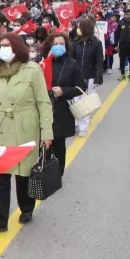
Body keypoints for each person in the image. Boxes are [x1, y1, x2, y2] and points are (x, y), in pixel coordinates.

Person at [0, 34, 53, 237]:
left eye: (7, 45)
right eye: (0, 46)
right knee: (0, 176)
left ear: (17, 47)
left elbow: (43, 103)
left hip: (26, 127)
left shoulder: (33, 70)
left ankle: (26, 208)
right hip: (1, 127)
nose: (4, 49)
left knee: (24, 174)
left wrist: (47, 132)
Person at [43, 33, 85, 176]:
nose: (58, 46)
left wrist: (64, 91)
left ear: (66, 46)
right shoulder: (44, 63)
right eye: (55, 44)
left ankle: (58, 173)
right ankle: (46, 169)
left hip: (62, 109)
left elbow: (81, 87)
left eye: (61, 44)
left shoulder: (72, 64)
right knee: (45, 142)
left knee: (59, 144)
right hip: (45, 108)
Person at [72, 17, 104, 137]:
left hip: (89, 78)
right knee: (75, 101)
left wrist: (98, 78)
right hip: (76, 77)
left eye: (79, 26)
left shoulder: (97, 43)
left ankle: (83, 127)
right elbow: (72, 60)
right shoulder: (75, 43)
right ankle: (75, 122)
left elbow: (99, 62)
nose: (77, 29)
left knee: (85, 102)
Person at [116, 8, 130, 81]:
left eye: (128, 14)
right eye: (126, 14)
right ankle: (122, 75)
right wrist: (116, 45)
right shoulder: (120, 23)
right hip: (122, 46)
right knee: (122, 61)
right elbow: (116, 34)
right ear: (124, 15)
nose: (127, 16)